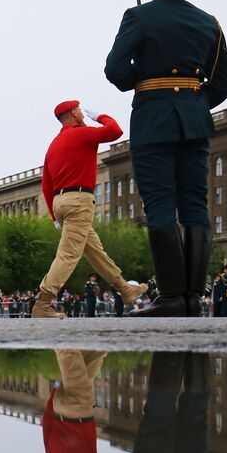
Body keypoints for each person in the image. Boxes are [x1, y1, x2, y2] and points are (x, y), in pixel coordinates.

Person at [105, 0, 227, 317]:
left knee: (160, 204)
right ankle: (193, 297)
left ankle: (171, 298)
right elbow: (224, 81)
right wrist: (192, 105)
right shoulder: (208, 23)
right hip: (195, 122)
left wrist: (147, 76)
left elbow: (115, 70)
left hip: (153, 119)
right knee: (195, 203)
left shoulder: (139, 17)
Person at [31, 100, 146, 318]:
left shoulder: (54, 145)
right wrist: (101, 116)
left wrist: (55, 216)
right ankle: (43, 303)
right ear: (74, 113)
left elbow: (46, 183)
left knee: (94, 251)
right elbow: (115, 130)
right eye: (80, 111)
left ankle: (125, 288)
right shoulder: (81, 134)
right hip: (79, 201)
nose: (83, 114)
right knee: (68, 254)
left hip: (61, 202)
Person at [44, 349, 122, 453]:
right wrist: (54, 393)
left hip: (78, 409)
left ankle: (51, 325)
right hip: (60, 407)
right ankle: (104, 332)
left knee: (68, 353)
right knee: (93, 356)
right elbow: (47, 425)